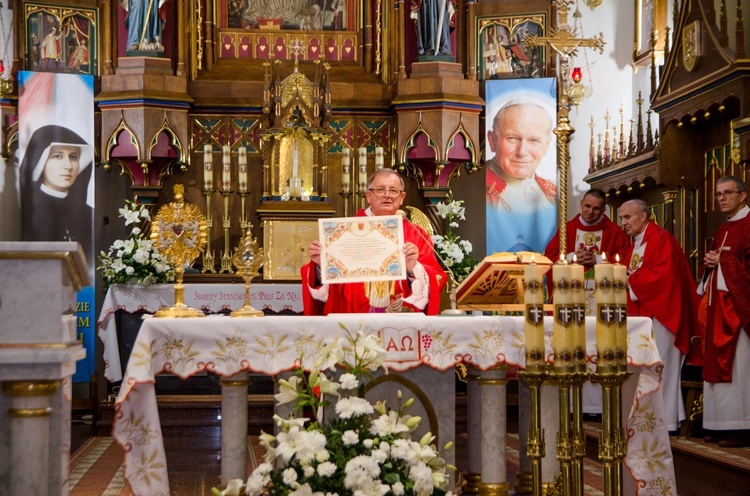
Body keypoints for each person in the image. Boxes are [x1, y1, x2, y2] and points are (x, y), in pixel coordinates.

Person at [301, 168, 447, 315]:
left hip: (399, 320)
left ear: (402, 197)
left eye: (393, 191)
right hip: (352, 319)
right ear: (369, 195)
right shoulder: (343, 232)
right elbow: (329, 286)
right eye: (380, 190)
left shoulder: (416, 234)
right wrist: (321, 265)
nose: (387, 195)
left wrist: (413, 268)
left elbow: (437, 277)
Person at [620, 199, 701, 432]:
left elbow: (664, 276)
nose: (623, 223)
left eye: (628, 217)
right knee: (644, 368)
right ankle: (648, 420)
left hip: (664, 315)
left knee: (661, 367)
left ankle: (667, 422)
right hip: (643, 316)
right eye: (622, 218)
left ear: (643, 216)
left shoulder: (661, 239)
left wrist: (630, 280)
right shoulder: (635, 244)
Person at [698, 176, 750, 447]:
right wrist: (710, 264)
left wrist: (724, 260)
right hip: (718, 306)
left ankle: (741, 426)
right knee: (718, 366)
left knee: (739, 368)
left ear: (742, 195)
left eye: (727, 193)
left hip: (739, 310)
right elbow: (718, 262)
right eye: (718, 194)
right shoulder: (723, 228)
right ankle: (718, 424)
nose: (721, 198)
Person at [486, 99, 557, 253]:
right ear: (492, 141)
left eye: (533, 140)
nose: (522, 151)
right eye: (512, 138)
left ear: (546, 145)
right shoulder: (477, 186)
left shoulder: (552, 193)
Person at [20, 125, 95, 269]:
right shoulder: (28, 210)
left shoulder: (87, 213)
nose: (68, 166)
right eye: (58, 156)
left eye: (73, 157)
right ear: (41, 161)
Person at [544, 188, 629, 309]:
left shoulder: (613, 231)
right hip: (571, 293)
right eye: (587, 206)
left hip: (603, 296)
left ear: (604, 210)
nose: (590, 211)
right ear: (581, 204)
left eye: (596, 208)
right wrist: (571, 257)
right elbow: (549, 257)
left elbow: (625, 258)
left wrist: (599, 260)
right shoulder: (567, 229)